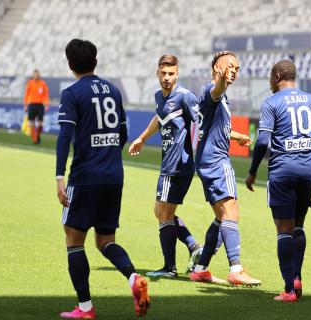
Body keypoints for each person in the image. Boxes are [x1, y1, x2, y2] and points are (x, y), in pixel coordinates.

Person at [56, 39, 149, 318]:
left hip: (84, 177)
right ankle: (134, 279)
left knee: (74, 240)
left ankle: (85, 307)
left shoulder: (71, 93)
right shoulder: (113, 90)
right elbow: (122, 134)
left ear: (70, 65)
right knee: (105, 240)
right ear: (95, 62)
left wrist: (59, 176)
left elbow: (64, 137)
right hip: (113, 176)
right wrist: (106, 157)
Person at [245, 60, 311, 302]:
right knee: (298, 226)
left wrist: (253, 170)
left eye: (270, 76)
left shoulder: (271, 103)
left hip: (282, 172)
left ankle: (288, 289)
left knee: (283, 230)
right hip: (307, 172)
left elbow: (263, 141)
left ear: (277, 75)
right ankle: (297, 277)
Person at [189, 50, 261, 286]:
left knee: (221, 217)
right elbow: (215, 92)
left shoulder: (218, 99)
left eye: (237, 68)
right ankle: (236, 269)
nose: (234, 71)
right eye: (229, 66)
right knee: (232, 212)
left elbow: (215, 127)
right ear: (216, 68)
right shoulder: (211, 91)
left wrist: (238, 135)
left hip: (206, 159)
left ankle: (200, 268)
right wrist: (222, 82)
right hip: (217, 160)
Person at [128, 54, 203, 277]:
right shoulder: (160, 97)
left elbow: (203, 122)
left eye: (171, 73)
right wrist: (142, 138)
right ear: (157, 74)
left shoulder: (185, 97)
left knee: (163, 214)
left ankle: (170, 268)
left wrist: (225, 140)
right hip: (169, 164)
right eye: (163, 73)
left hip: (178, 164)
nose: (167, 77)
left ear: (177, 74)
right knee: (160, 211)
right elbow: (159, 118)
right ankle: (193, 246)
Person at [23, 69, 49, 144]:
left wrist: (47, 105)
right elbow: (26, 95)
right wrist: (25, 105)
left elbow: (46, 95)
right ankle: (34, 139)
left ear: (39, 75)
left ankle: (37, 135)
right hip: (31, 105)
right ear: (33, 76)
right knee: (31, 123)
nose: (36, 76)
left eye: (37, 74)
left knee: (40, 124)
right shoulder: (30, 83)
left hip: (40, 105)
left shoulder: (43, 84)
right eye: (34, 75)